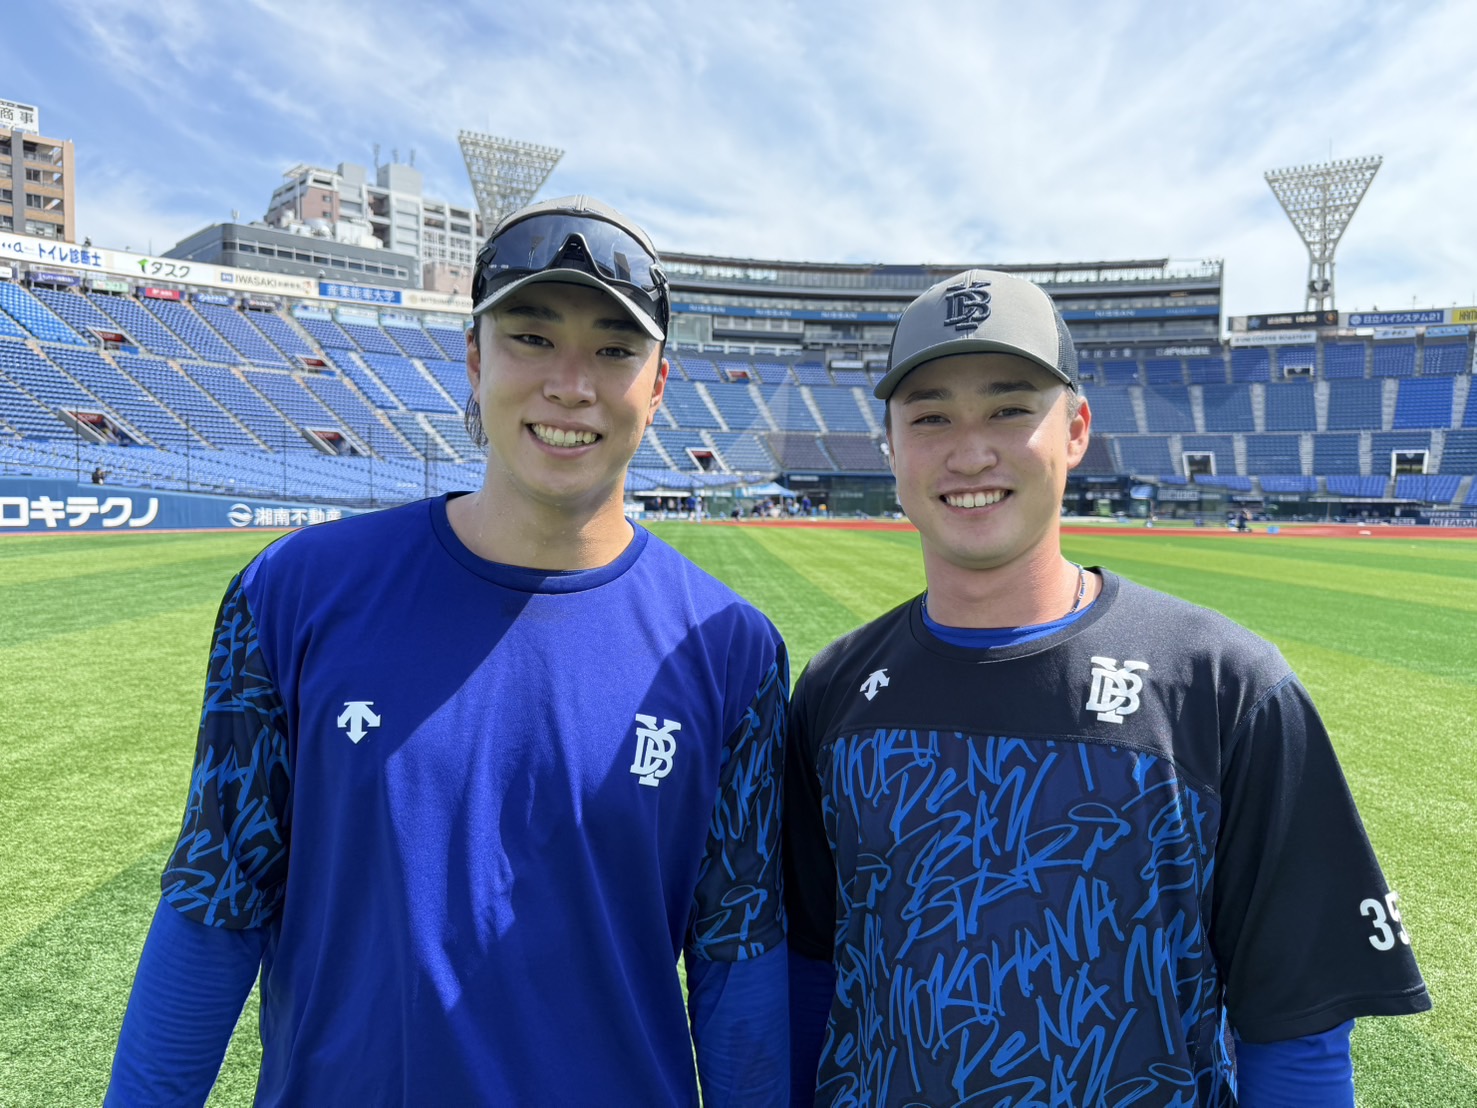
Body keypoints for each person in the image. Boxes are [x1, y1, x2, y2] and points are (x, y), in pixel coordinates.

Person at [106, 196, 790, 1107]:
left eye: (613, 350)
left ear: (658, 384)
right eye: (531, 337)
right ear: (473, 357)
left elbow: (736, 955)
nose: (570, 385)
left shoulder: (732, 650)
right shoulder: (291, 593)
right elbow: (215, 899)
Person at [783, 270, 1429, 1107]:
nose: (969, 452)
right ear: (891, 446)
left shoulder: (1224, 686)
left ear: (1076, 430)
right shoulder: (834, 690)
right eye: (930, 416)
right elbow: (810, 969)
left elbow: (1297, 1029)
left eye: (1009, 409)